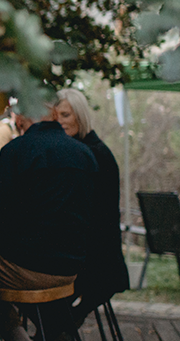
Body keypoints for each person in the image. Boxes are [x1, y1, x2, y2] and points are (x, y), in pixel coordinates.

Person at [0, 104, 98, 341]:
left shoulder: (15, 151)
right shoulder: (85, 154)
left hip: (28, 269)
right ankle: (42, 334)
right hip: (71, 270)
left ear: (19, 117)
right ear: (54, 114)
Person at [55, 89, 129, 318]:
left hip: (94, 262)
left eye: (65, 115)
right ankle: (54, 338)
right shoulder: (81, 150)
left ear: (81, 115)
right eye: (56, 116)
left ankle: (51, 339)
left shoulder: (92, 154)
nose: (59, 122)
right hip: (90, 258)